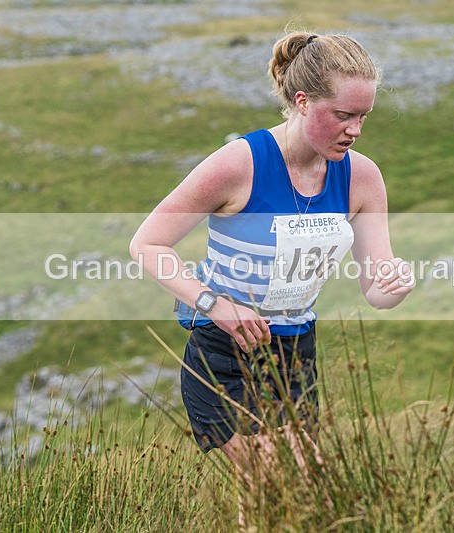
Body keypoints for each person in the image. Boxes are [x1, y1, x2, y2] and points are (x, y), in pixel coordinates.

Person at [130, 29, 415, 486]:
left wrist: (394, 284)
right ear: (302, 101)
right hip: (224, 355)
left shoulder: (362, 177)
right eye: (343, 115)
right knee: (288, 484)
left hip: (296, 355)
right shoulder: (238, 164)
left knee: (278, 501)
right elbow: (147, 245)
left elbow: (376, 292)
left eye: (364, 117)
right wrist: (215, 305)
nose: (355, 130)